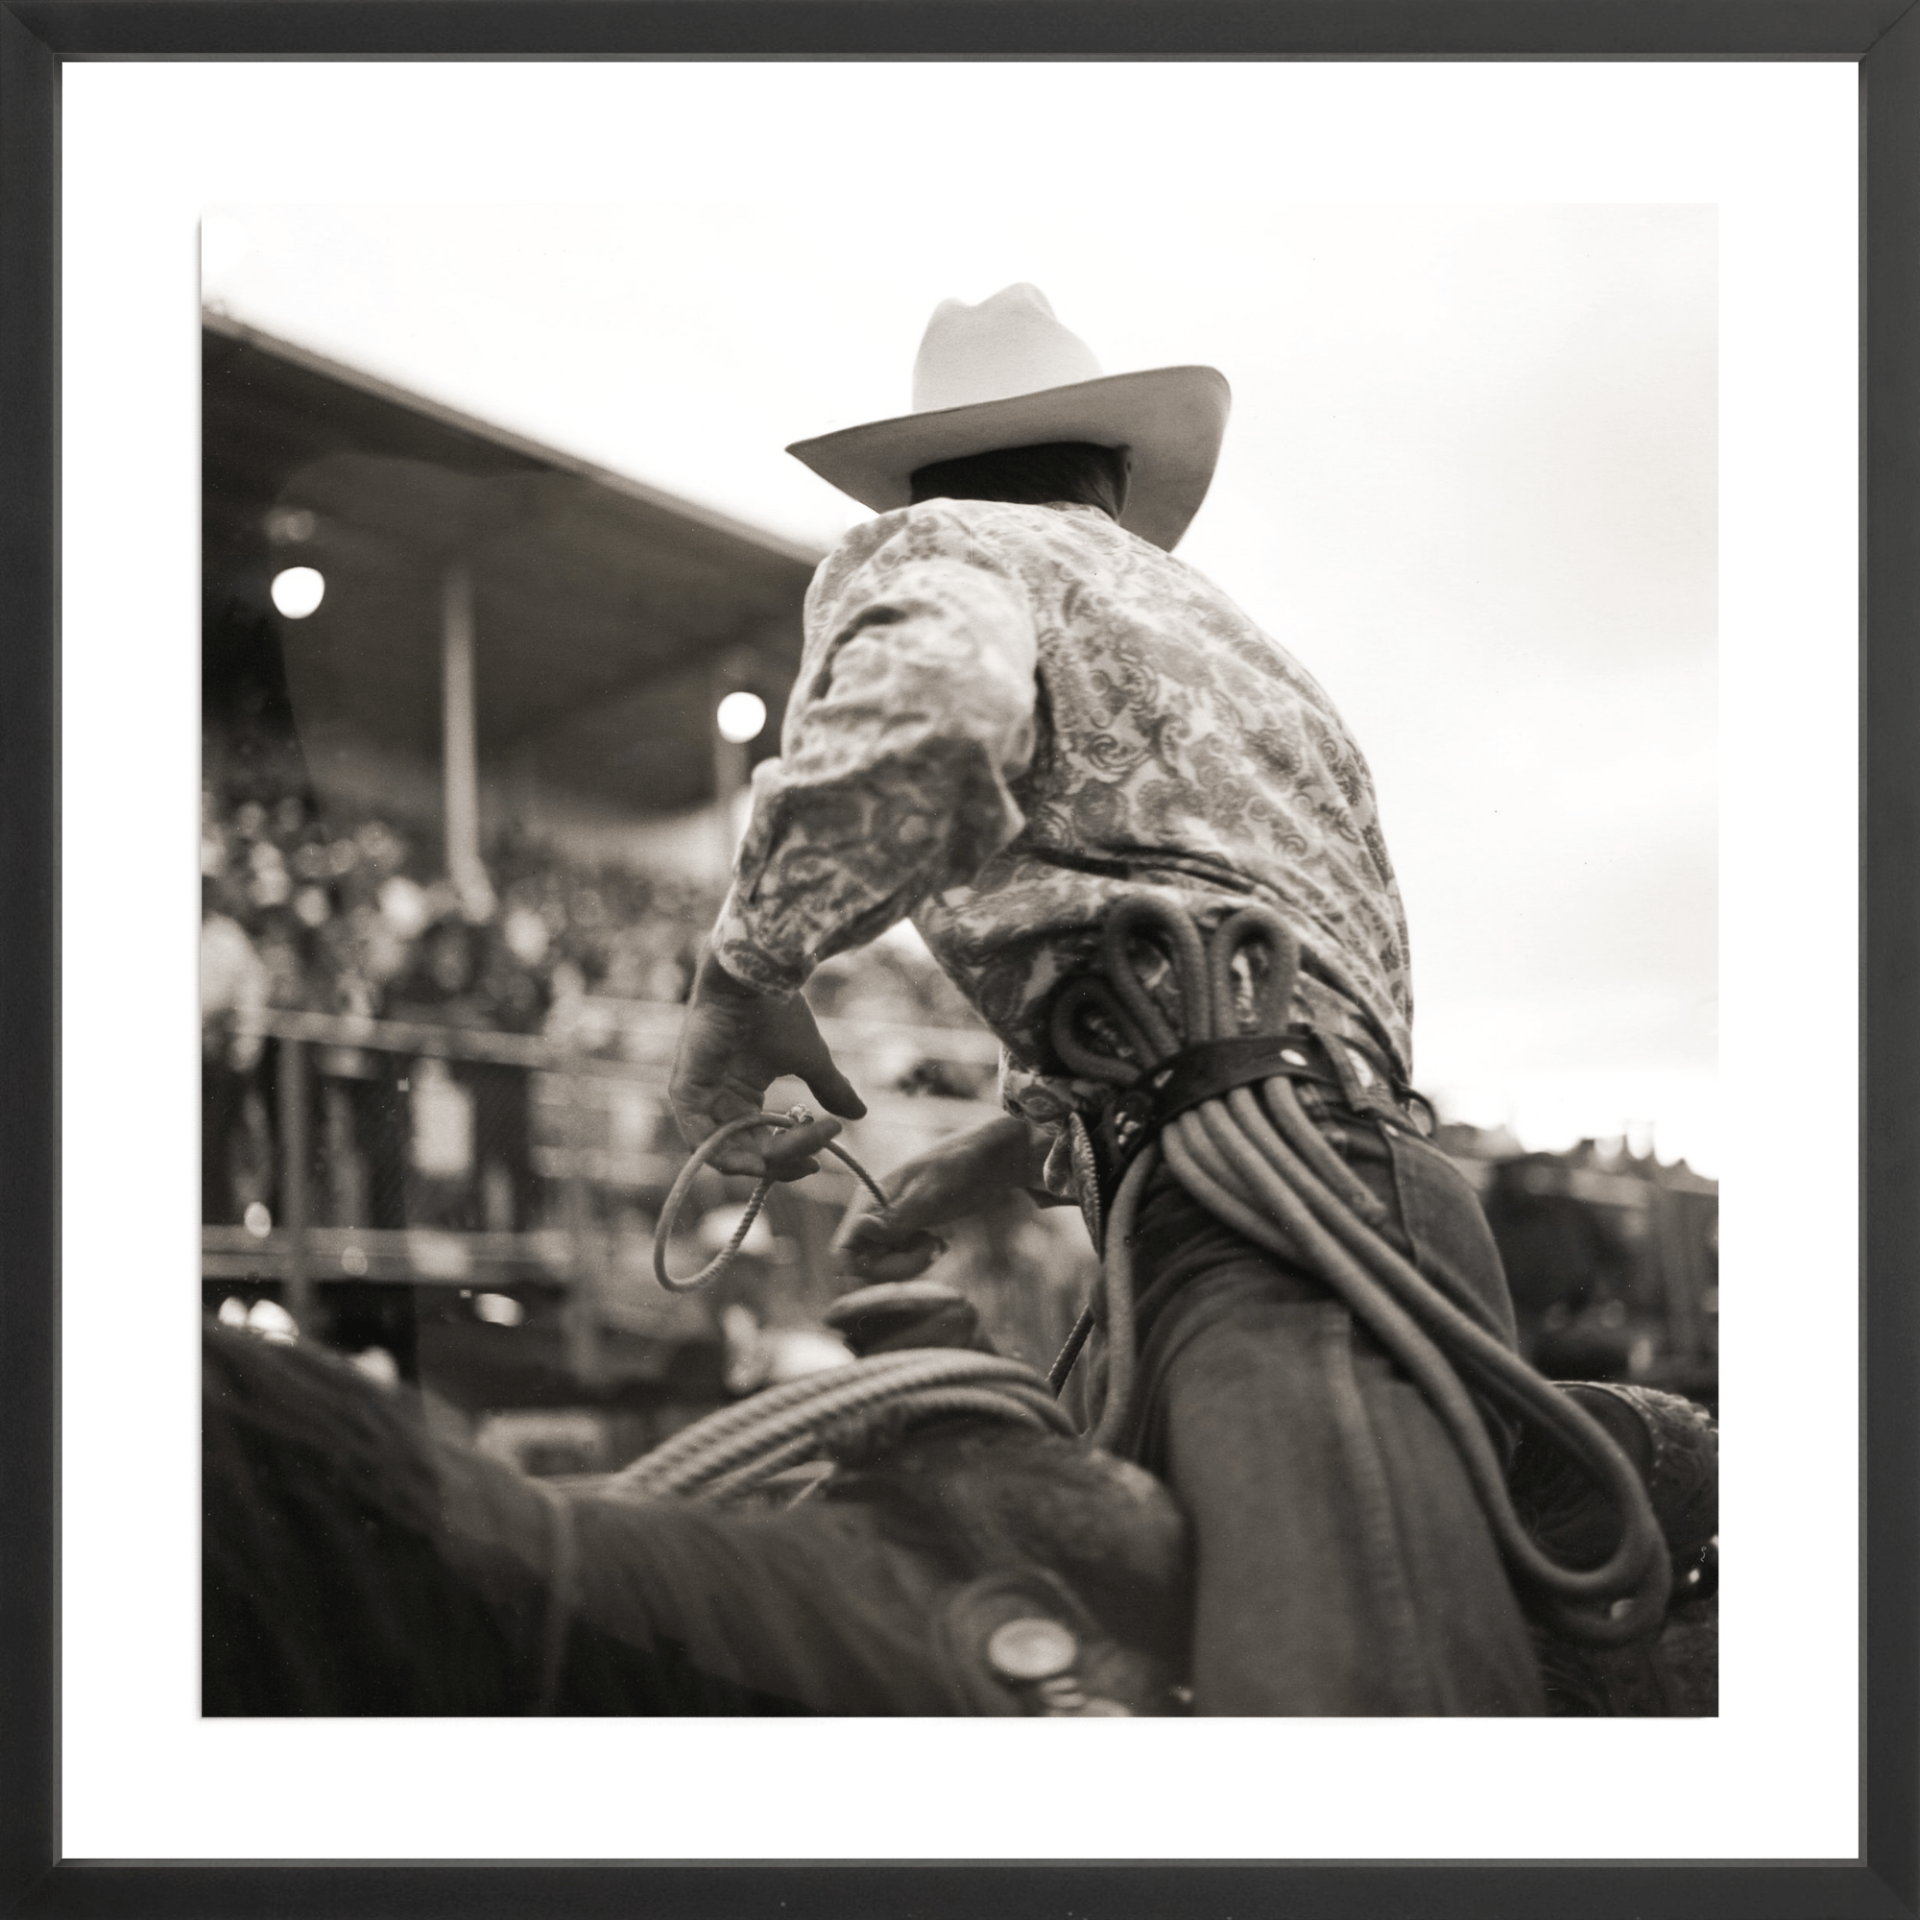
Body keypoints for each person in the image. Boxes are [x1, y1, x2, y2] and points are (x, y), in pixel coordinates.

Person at [668, 283, 1546, 1713]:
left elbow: (936, 722)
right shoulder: (1234, 638)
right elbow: (1258, 955)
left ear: (921, 475)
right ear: (1119, 477)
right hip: (1363, 1196)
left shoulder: (934, 542)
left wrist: (742, 971)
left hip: (1262, 1227)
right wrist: (1016, 1142)